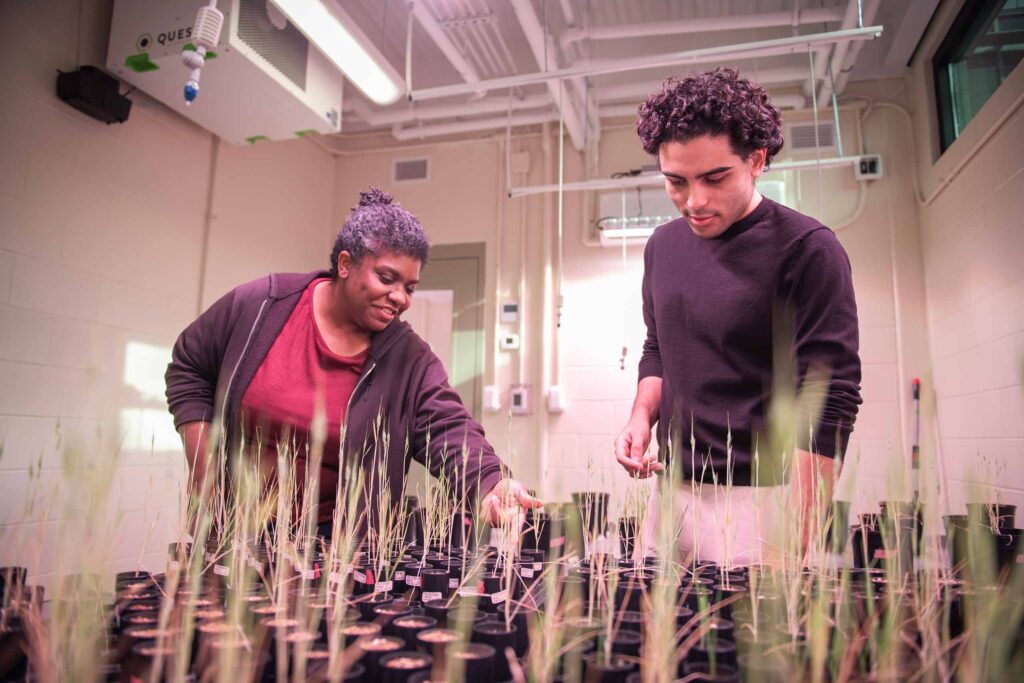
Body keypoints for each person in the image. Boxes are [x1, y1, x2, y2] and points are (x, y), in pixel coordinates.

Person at [166, 188, 539, 538]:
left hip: (339, 545)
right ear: (345, 264)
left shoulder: (409, 360)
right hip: (235, 528)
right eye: (387, 278)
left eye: (410, 287)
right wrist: (204, 469)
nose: (400, 298)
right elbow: (190, 368)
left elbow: (448, 429)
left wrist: (492, 482)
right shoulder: (263, 305)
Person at [615, 69, 862, 565]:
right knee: (655, 637)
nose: (695, 201)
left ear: (757, 159)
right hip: (672, 491)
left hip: (763, 498)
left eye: (715, 178)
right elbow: (658, 348)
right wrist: (641, 415)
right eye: (676, 182)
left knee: (748, 642)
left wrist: (795, 536)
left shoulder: (808, 249)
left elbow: (830, 396)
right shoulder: (662, 246)